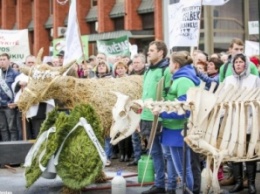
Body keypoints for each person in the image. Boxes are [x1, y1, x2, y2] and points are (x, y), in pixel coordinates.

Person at [153, 51, 199, 193]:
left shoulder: (184, 81)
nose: (168, 66)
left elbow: (185, 110)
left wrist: (162, 111)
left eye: (169, 63)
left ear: (176, 64)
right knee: (182, 169)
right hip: (173, 129)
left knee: (183, 170)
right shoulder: (179, 79)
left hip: (178, 130)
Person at [223, 53, 260, 194]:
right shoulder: (228, 80)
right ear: (233, 65)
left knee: (250, 153)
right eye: (236, 62)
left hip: (249, 122)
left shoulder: (254, 79)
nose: (238, 64)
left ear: (246, 64)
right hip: (233, 122)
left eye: (241, 61)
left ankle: (251, 184)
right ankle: (238, 182)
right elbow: (223, 99)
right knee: (235, 153)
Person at [141, 40, 172, 194]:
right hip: (146, 117)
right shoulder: (148, 70)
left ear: (161, 52)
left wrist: (161, 109)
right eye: (149, 50)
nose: (149, 53)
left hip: (160, 118)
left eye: (152, 50)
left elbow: (168, 93)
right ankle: (159, 184)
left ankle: (171, 185)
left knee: (167, 153)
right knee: (154, 153)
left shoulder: (165, 70)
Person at [12, 55, 55, 139]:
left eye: (32, 62)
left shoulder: (43, 76)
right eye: (29, 62)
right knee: (26, 135)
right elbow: (14, 87)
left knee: (38, 134)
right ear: (25, 63)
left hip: (39, 110)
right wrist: (19, 84)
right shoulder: (20, 77)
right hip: (24, 110)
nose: (31, 64)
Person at [127, 53, 147, 167]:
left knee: (147, 135)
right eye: (134, 63)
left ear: (143, 63)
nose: (135, 65)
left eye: (138, 62)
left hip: (145, 107)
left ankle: (150, 158)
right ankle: (137, 157)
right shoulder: (130, 75)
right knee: (134, 135)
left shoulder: (147, 74)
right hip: (133, 108)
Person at [0, 53, 19, 141]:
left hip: (9, 105)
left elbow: (18, 91)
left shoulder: (15, 74)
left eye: (4, 59)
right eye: (0, 60)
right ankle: (4, 149)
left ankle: (14, 149)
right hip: (0, 105)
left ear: (9, 61)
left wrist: (13, 102)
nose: (2, 61)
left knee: (12, 128)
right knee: (3, 128)